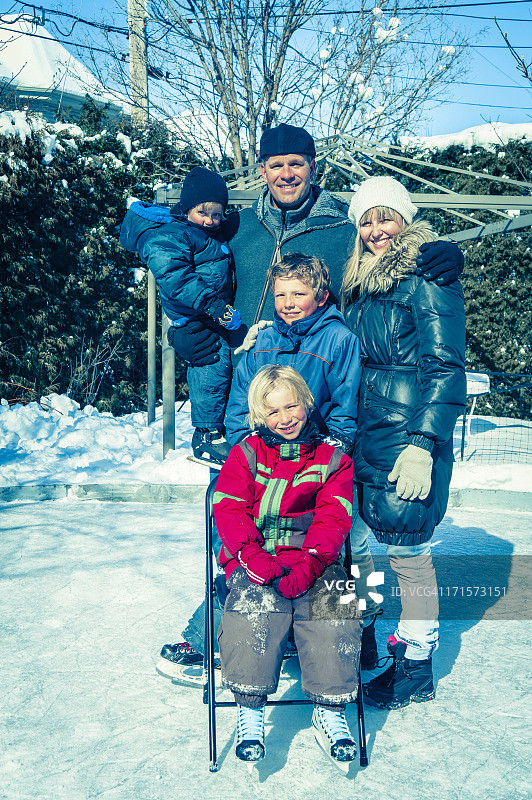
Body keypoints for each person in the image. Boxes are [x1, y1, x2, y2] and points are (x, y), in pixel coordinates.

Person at [157, 122, 465, 673]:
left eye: (296, 163)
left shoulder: (339, 226)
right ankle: (214, 635)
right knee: (236, 526)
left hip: (319, 409)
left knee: (328, 535)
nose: (286, 173)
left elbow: (387, 247)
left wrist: (440, 252)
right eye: (275, 165)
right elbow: (176, 251)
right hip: (247, 407)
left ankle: (336, 634)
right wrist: (192, 331)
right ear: (261, 171)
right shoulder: (237, 226)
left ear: (313, 166)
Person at [341, 175, 466, 710]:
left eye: (385, 217)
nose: (375, 230)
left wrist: (422, 443)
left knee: (408, 553)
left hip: (404, 436)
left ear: (406, 220)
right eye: (365, 221)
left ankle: (416, 662)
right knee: (356, 546)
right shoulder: (360, 283)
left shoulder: (427, 276)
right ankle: (363, 636)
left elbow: (445, 367)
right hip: (360, 434)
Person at [214, 365, 361, 765]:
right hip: (257, 556)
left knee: (334, 610)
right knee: (253, 608)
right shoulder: (245, 454)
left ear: (306, 402)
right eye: (273, 412)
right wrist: (252, 556)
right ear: (260, 417)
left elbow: (335, 516)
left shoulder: (333, 459)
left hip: (314, 558)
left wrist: (313, 562)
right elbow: (228, 508)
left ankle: (330, 713)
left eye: (291, 406)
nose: (285, 418)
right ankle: (250, 710)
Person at [119, 166, 242, 465]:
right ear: (187, 208)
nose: (211, 220)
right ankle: (207, 435)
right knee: (212, 364)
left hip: (205, 313)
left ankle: (215, 429)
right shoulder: (174, 235)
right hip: (195, 315)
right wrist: (213, 306)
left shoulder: (200, 232)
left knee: (221, 365)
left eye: (217, 214)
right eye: (204, 212)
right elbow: (175, 279)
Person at [225, 252, 361, 453]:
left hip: (314, 454)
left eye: (298, 294)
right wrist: (253, 449)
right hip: (264, 454)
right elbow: (239, 407)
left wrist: (326, 456)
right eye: (281, 295)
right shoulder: (262, 341)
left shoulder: (339, 340)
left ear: (321, 297)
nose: (288, 303)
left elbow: (345, 410)